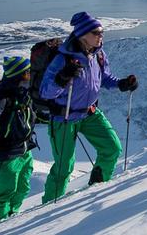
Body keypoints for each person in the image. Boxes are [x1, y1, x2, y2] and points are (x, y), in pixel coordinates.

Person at [40, 12, 138, 202]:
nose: (101, 36)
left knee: (112, 148)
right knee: (63, 166)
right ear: (83, 34)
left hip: (90, 113)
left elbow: (105, 78)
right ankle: (50, 205)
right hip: (64, 117)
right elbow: (46, 92)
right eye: (96, 32)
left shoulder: (98, 55)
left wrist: (121, 84)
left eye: (102, 32)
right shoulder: (63, 59)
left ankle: (95, 189)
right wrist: (62, 79)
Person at [0, 57, 37, 223]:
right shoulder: (2, 98)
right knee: (2, 195)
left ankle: (11, 220)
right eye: (28, 73)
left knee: (22, 188)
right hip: (2, 155)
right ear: (19, 76)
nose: (31, 76)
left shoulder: (23, 94)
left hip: (23, 149)